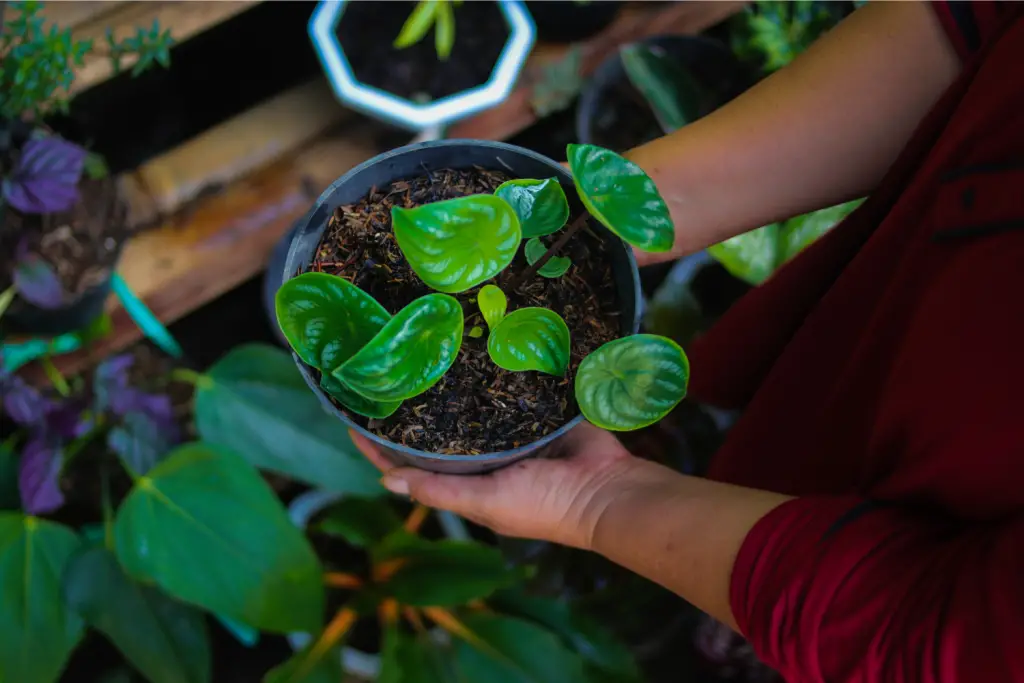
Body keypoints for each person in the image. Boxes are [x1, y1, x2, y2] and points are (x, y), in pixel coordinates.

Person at [351, 2, 1024, 681]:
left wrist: (597, 505)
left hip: (843, 555)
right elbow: (973, 20)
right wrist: (636, 206)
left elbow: (926, 634)